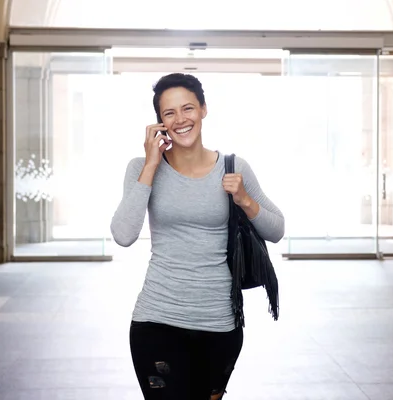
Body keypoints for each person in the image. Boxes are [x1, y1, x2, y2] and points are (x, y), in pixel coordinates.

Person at [110, 73, 285, 400]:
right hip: (156, 318)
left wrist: (245, 200)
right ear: (159, 122)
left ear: (203, 109)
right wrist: (150, 165)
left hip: (219, 323)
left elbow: (277, 229)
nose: (180, 119)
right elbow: (123, 234)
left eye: (187, 108)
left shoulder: (235, 167)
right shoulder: (140, 167)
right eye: (169, 113)